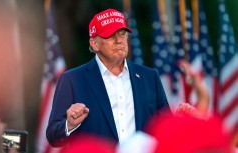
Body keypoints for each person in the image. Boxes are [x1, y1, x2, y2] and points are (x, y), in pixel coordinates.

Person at [46, 8, 198, 147]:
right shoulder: (72, 80)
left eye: (122, 34)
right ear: (95, 44)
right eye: (110, 35)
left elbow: (163, 129)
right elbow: (53, 136)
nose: (119, 40)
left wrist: (176, 120)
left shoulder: (149, 77)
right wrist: (69, 124)